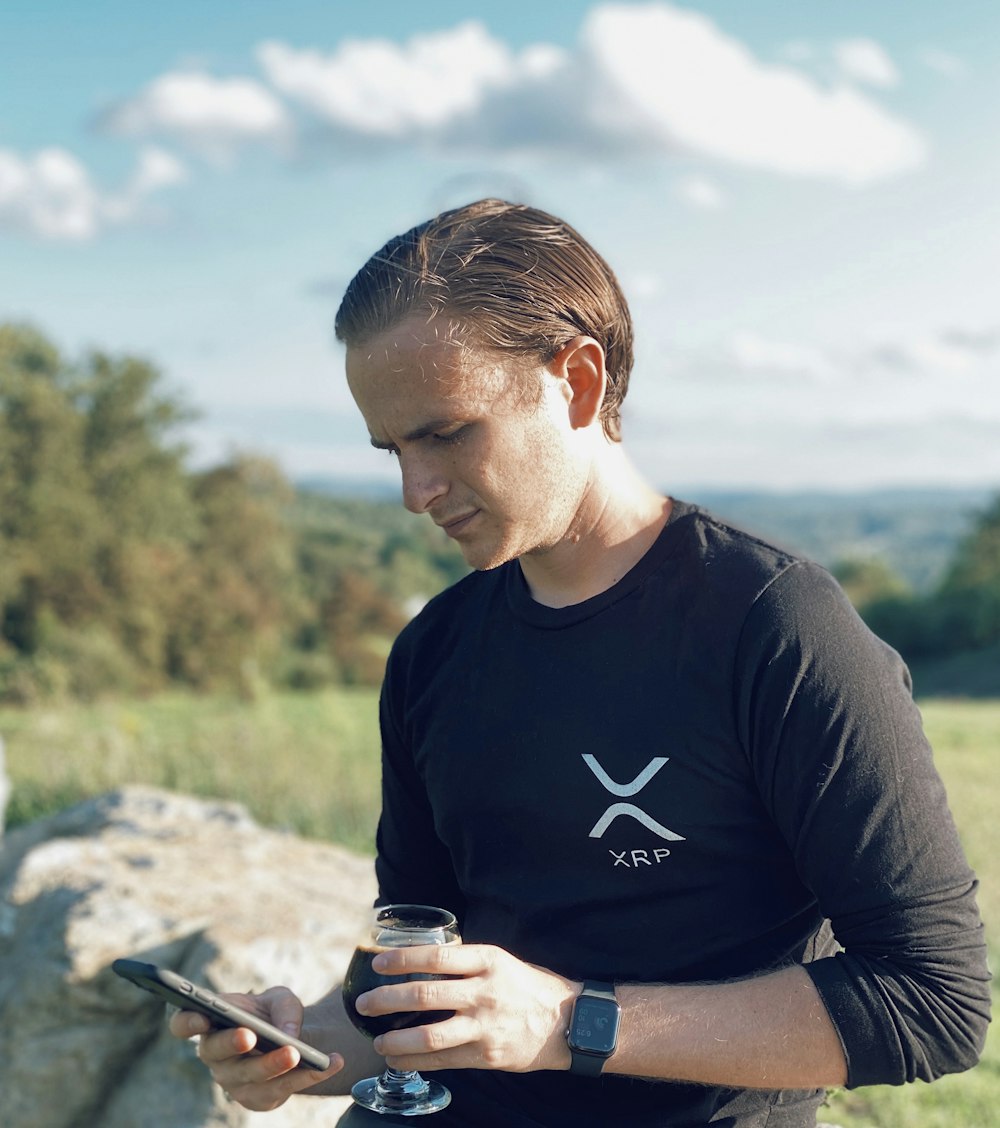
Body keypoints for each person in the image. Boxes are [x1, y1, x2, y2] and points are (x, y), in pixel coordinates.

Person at [170, 199, 990, 1127]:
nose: (414, 491)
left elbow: (934, 1002)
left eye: (444, 433)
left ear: (581, 383)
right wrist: (307, 1043)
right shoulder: (434, 650)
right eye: (393, 448)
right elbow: (420, 970)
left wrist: (571, 1022)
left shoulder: (775, 625)